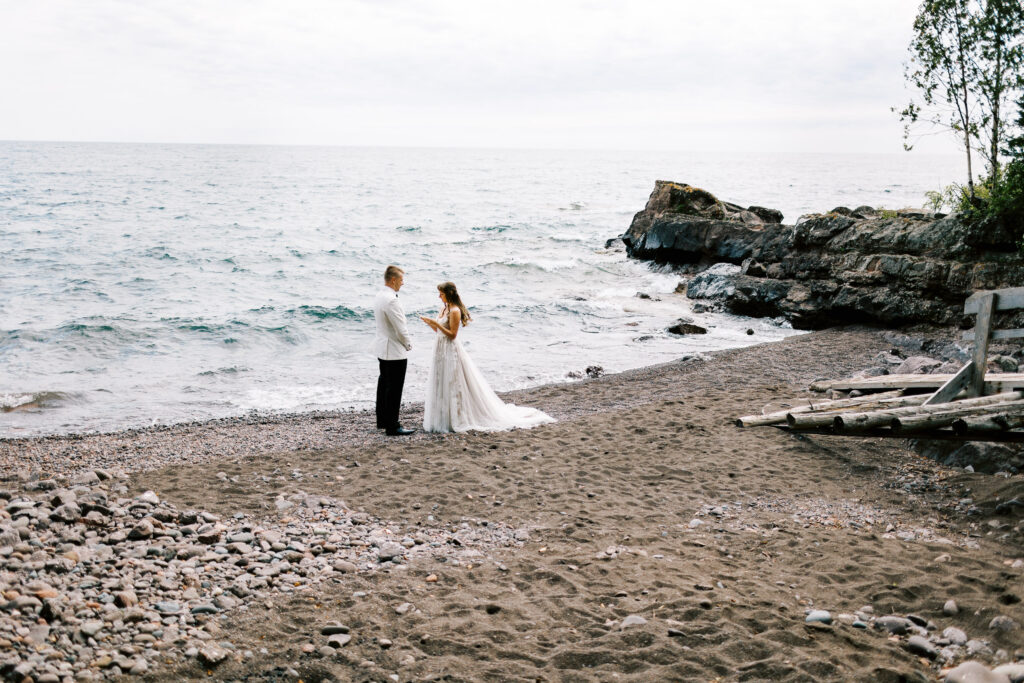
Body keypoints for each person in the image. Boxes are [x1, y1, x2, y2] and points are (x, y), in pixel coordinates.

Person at [420, 281, 554, 433]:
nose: (439, 296)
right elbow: (439, 332)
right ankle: (444, 415)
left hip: (450, 349)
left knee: (453, 381)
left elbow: (452, 335)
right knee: (441, 380)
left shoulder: (455, 311)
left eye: (441, 294)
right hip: (440, 349)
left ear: (449, 294)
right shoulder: (444, 308)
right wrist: (431, 324)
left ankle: (457, 416)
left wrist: (436, 324)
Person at [374, 265, 415, 436]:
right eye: (401, 280)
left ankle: (383, 420)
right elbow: (400, 328)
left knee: (384, 384)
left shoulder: (379, 296)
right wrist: (408, 344)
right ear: (393, 280)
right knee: (394, 388)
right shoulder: (391, 300)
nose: (402, 283)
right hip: (394, 349)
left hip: (383, 347)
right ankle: (393, 425)